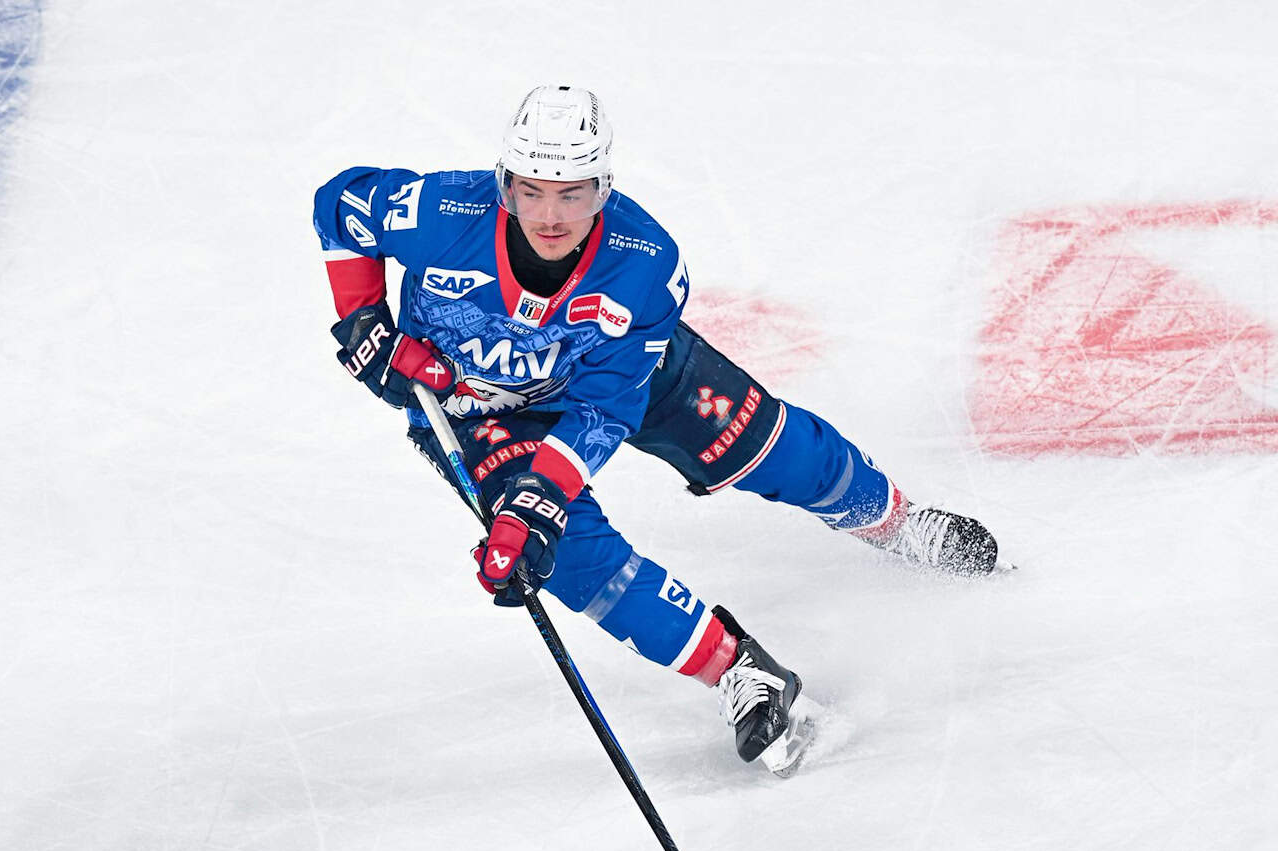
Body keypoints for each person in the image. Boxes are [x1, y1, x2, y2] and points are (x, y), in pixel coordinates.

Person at [313, 85, 1001, 777]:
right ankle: (740, 669)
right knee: (566, 558)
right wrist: (363, 320)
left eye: (573, 194)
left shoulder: (644, 263)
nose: (549, 215)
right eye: (531, 191)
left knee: (767, 447)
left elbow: (603, 411)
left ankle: (895, 521)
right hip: (473, 414)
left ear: (604, 188)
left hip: (606, 381)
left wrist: (543, 489)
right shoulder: (439, 212)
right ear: (505, 184)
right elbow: (337, 205)